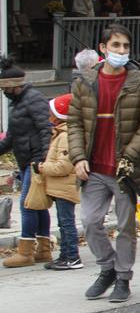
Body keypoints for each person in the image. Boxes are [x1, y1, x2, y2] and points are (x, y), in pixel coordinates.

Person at [66, 25, 140, 301]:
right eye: (116, 46)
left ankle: (123, 278)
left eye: (125, 47)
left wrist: (130, 155)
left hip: (125, 170)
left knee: (126, 226)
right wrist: (78, 157)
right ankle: (107, 267)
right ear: (103, 48)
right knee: (90, 221)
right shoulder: (85, 82)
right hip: (93, 167)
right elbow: (74, 124)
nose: (121, 51)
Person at [0, 57, 54, 268]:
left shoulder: (34, 100)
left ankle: (26, 252)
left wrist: (42, 160)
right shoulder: (19, 104)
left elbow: (45, 130)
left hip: (35, 161)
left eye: (4, 88)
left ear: (13, 86)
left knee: (27, 205)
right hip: (27, 160)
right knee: (38, 206)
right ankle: (43, 250)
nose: (3, 92)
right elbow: (11, 138)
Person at [39, 94, 83, 270]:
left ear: (59, 115)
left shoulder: (66, 137)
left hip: (65, 186)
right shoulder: (61, 134)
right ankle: (65, 255)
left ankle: (72, 257)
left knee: (66, 223)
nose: (49, 116)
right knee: (63, 222)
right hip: (61, 187)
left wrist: (42, 168)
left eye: (51, 112)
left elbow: (63, 167)